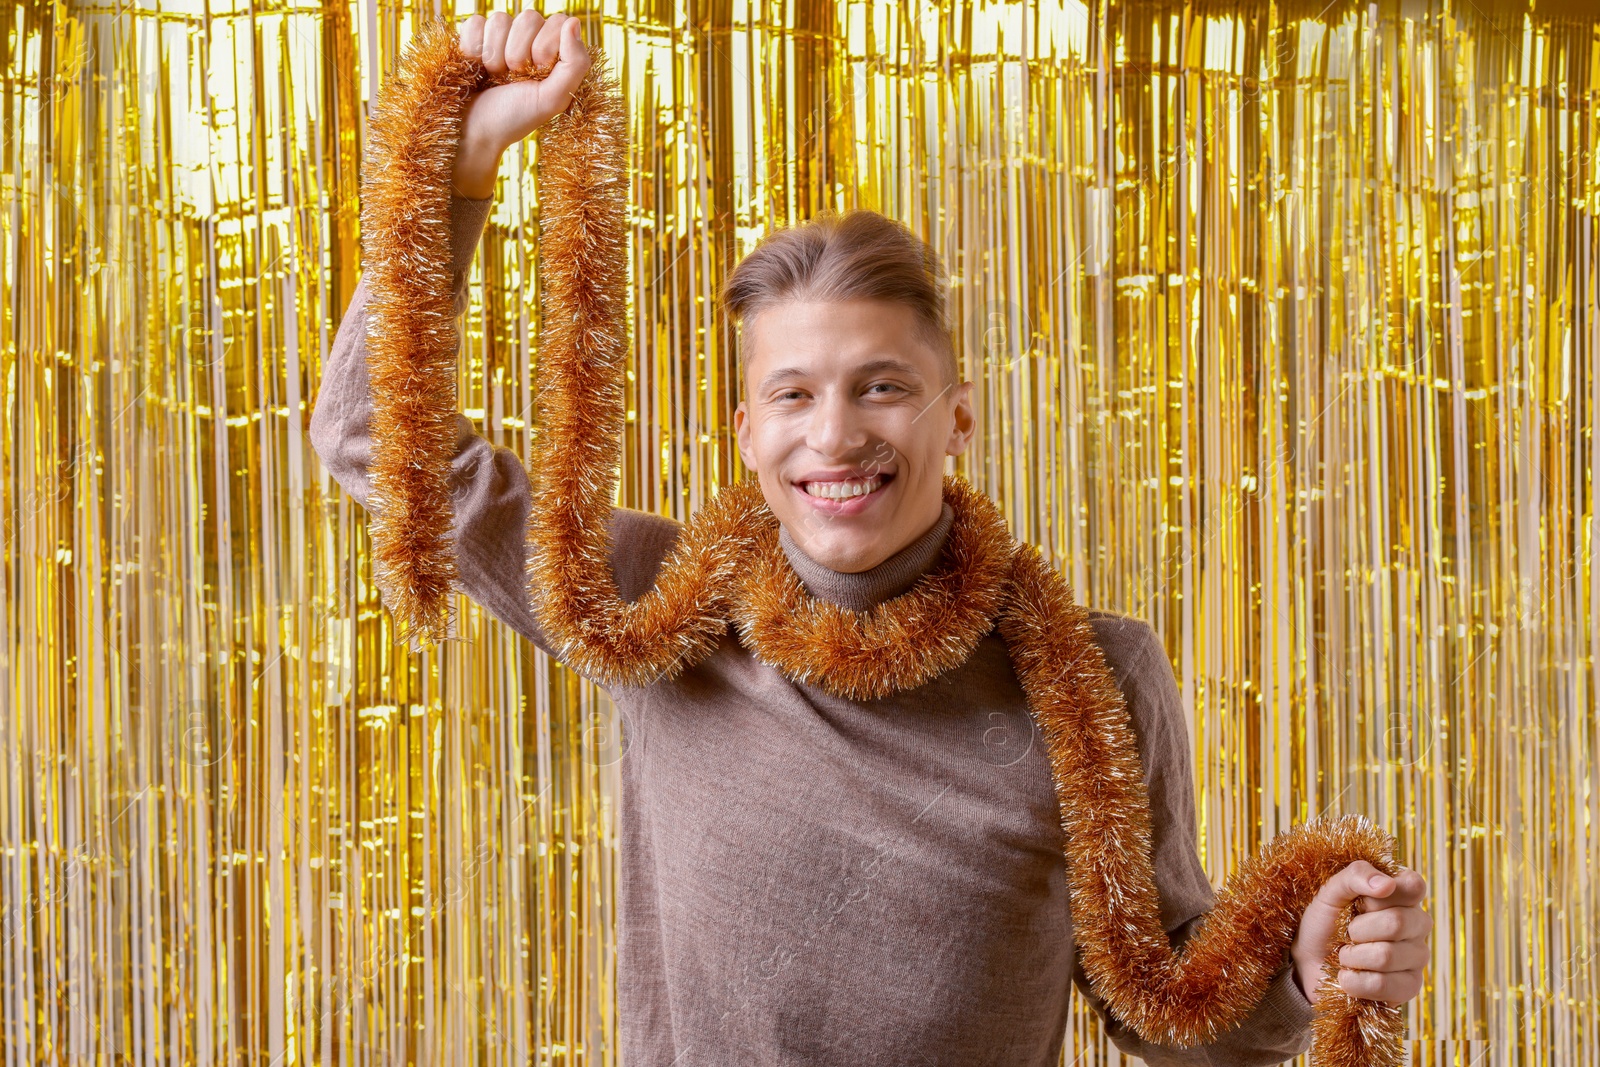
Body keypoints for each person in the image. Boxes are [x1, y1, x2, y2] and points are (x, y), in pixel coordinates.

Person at [310, 9, 1432, 1064]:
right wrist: (459, 179)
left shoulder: (1094, 674)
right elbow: (370, 432)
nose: (835, 435)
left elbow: (1166, 1011)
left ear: (957, 416)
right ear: (748, 431)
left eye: (881, 385)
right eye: (793, 395)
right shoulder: (648, 605)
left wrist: (1303, 964)